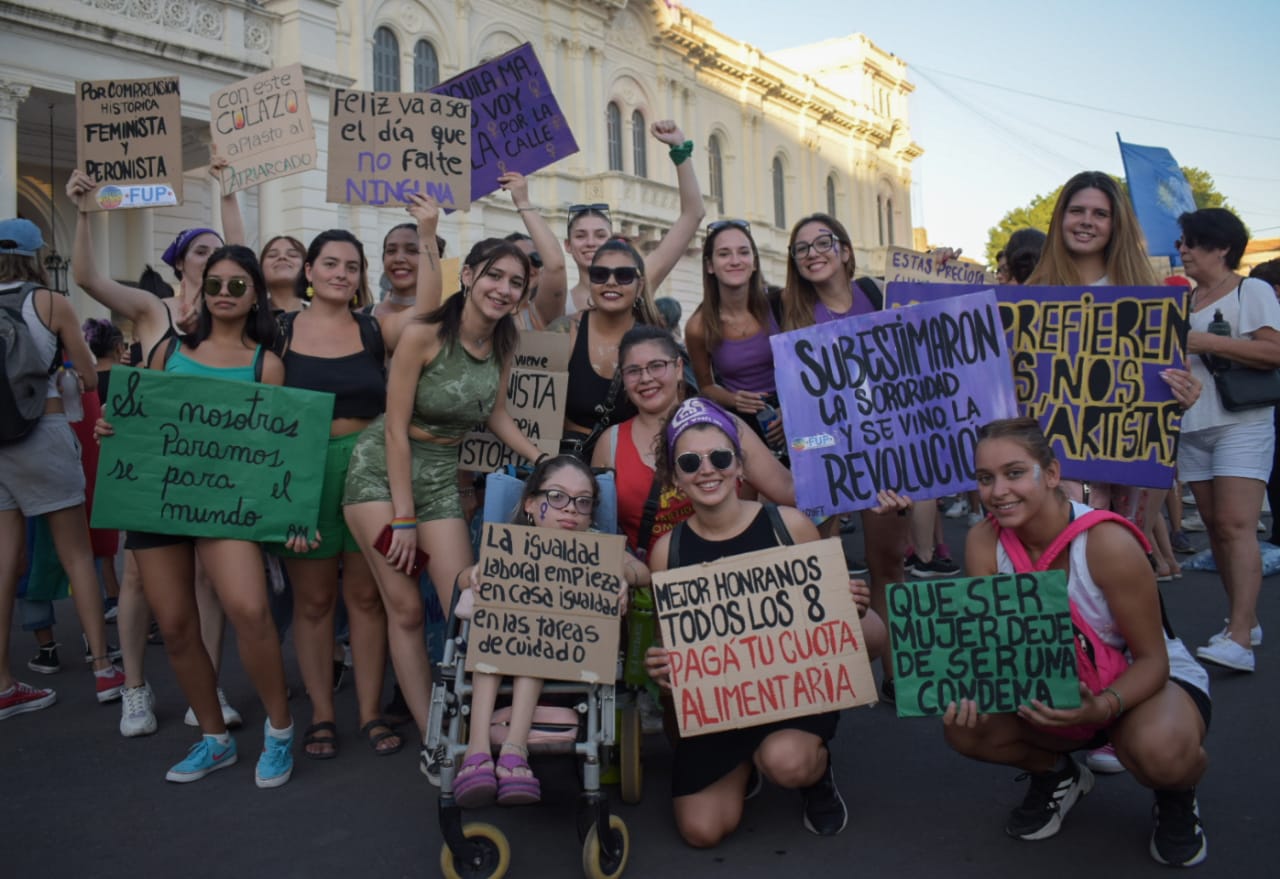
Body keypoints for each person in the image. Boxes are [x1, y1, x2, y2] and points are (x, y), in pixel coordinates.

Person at [944, 417, 1211, 867]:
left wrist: (1102, 707)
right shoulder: (983, 541)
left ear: (1051, 474)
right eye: (985, 478)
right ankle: (1058, 775)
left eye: (1014, 473)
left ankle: (1177, 796)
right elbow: (994, 646)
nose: (998, 491)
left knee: (1161, 753)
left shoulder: (1107, 543)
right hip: (1051, 682)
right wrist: (972, 686)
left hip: (1140, 682)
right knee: (964, 727)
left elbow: (1153, 661)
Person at [95, 243, 302, 786]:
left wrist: (287, 518)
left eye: (238, 285)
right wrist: (112, 427)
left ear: (255, 294)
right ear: (201, 291)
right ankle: (214, 740)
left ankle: (280, 731)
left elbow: (277, 449)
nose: (225, 293)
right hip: (159, 499)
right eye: (215, 284)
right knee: (177, 626)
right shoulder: (167, 351)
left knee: (250, 612)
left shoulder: (267, 365)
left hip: (228, 505)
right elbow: (140, 421)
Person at [642, 397, 891, 847]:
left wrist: (847, 604)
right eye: (690, 462)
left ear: (740, 466)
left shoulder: (790, 526)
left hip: (793, 696)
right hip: (722, 707)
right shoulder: (666, 552)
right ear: (674, 477)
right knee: (701, 831)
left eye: (720, 458)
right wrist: (662, 665)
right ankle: (744, 765)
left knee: (787, 761)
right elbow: (674, 644)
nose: (707, 470)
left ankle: (816, 776)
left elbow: (833, 625)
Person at [343, 236, 543, 780]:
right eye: (494, 276)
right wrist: (404, 518)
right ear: (469, 275)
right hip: (381, 474)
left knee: (468, 601)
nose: (504, 289)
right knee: (405, 608)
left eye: (516, 283)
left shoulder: (505, 340)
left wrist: (543, 459)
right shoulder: (423, 334)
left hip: (439, 476)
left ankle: (475, 721)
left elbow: (496, 415)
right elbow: (394, 431)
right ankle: (434, 738)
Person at [67, 169, 242, 737]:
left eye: (219, 251)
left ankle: (207, 688)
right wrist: (85, 211)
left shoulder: (232, 316)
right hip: (150, 457)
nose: (213, 258)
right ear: (181, 262)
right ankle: (135, 689)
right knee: (139, 579)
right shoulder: (151, 309)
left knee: (208, 579)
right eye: (202, 250)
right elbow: (87, 278)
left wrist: (229, 193)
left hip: (209, 462)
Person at [273, 211, 441, 760]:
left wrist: (427, 234)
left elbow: (430, 310)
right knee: (315, 600)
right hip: (302, 472)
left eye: (351, 266)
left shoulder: (375, 329)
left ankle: (369, 712)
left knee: (368, 597)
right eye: (330, 264)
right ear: (309, 272)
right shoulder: (278, 330)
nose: (341, 274)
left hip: (369, 470)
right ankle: (322, 713)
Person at [450, 455, 647, 807]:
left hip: (567, 656)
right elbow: (463, 578)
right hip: (500, 651)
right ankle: (477, 749)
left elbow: (641, 572)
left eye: (583, 501)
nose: (570, 508)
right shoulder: (512, 543)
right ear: (530, 503)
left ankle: (514, 749)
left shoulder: (598, 546)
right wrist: (478, 572)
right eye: (557, 497)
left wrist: (621, 577)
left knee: (537, 624)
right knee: (501, 612)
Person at [780, 213, 908, 700]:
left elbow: (932, 320)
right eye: (802, 248)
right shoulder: (790, 311)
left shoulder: (877, 295)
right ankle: (830, 677)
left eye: (823, 242)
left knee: (887, 563)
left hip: (884, 447)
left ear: (846, 250)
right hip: (821, 454)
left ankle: (896, 675)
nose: (813, 253)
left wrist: (937, 268)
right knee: (822, 566)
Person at [0, 218, 124, 721]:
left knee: (5, 561)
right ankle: (104, 669)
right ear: (35, 255)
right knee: (76, 554)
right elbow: (90, 377)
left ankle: (4, 683)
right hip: (43, 432)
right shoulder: (50, 303)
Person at [1178, 208, 1280, 673]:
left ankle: (1239, 638)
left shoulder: (1250, 290)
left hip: (1242, 421)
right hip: (1192, 425)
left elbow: (1273, 350)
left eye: (1192, 242)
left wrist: (1209, 343)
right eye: (1182, 242)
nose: (1184, 250)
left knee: (1237, 525)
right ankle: (1245, 619)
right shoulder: (1186, 298)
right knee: (1217, 528)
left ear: (1221, 247)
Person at [593, 326, 793, 560]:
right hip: (653, 577)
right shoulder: (610, 443)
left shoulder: (726, 426)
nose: (645, 378)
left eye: (657, 366)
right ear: (623, 378)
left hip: (735, 571)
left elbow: (790, 492)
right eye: (633, 371)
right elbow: (599, 531)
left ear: (678, 368)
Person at [561, 121, 704, 317]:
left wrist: (679, 149)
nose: (590, 242)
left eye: (600, 235)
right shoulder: (558, 302)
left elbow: (693, 214)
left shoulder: (638, 282)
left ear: (611, 240)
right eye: (580, 235)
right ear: (568, 245)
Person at [684, 220, 783, 450]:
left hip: (794, 414)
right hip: (743, 426)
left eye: (743, 252)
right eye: (724, 254)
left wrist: (788, 409)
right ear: (710, 265)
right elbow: (706, 387)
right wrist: (734, 399)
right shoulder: (698, 326)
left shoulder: (780, 304)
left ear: (754, 262)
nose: (735, 260)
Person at [498, 172, 567, 331]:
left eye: (536, 258)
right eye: (519, 259)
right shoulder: (479, 314)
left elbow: (555, 266)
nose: (528, 265)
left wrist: (523, 202)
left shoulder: (540, 315)